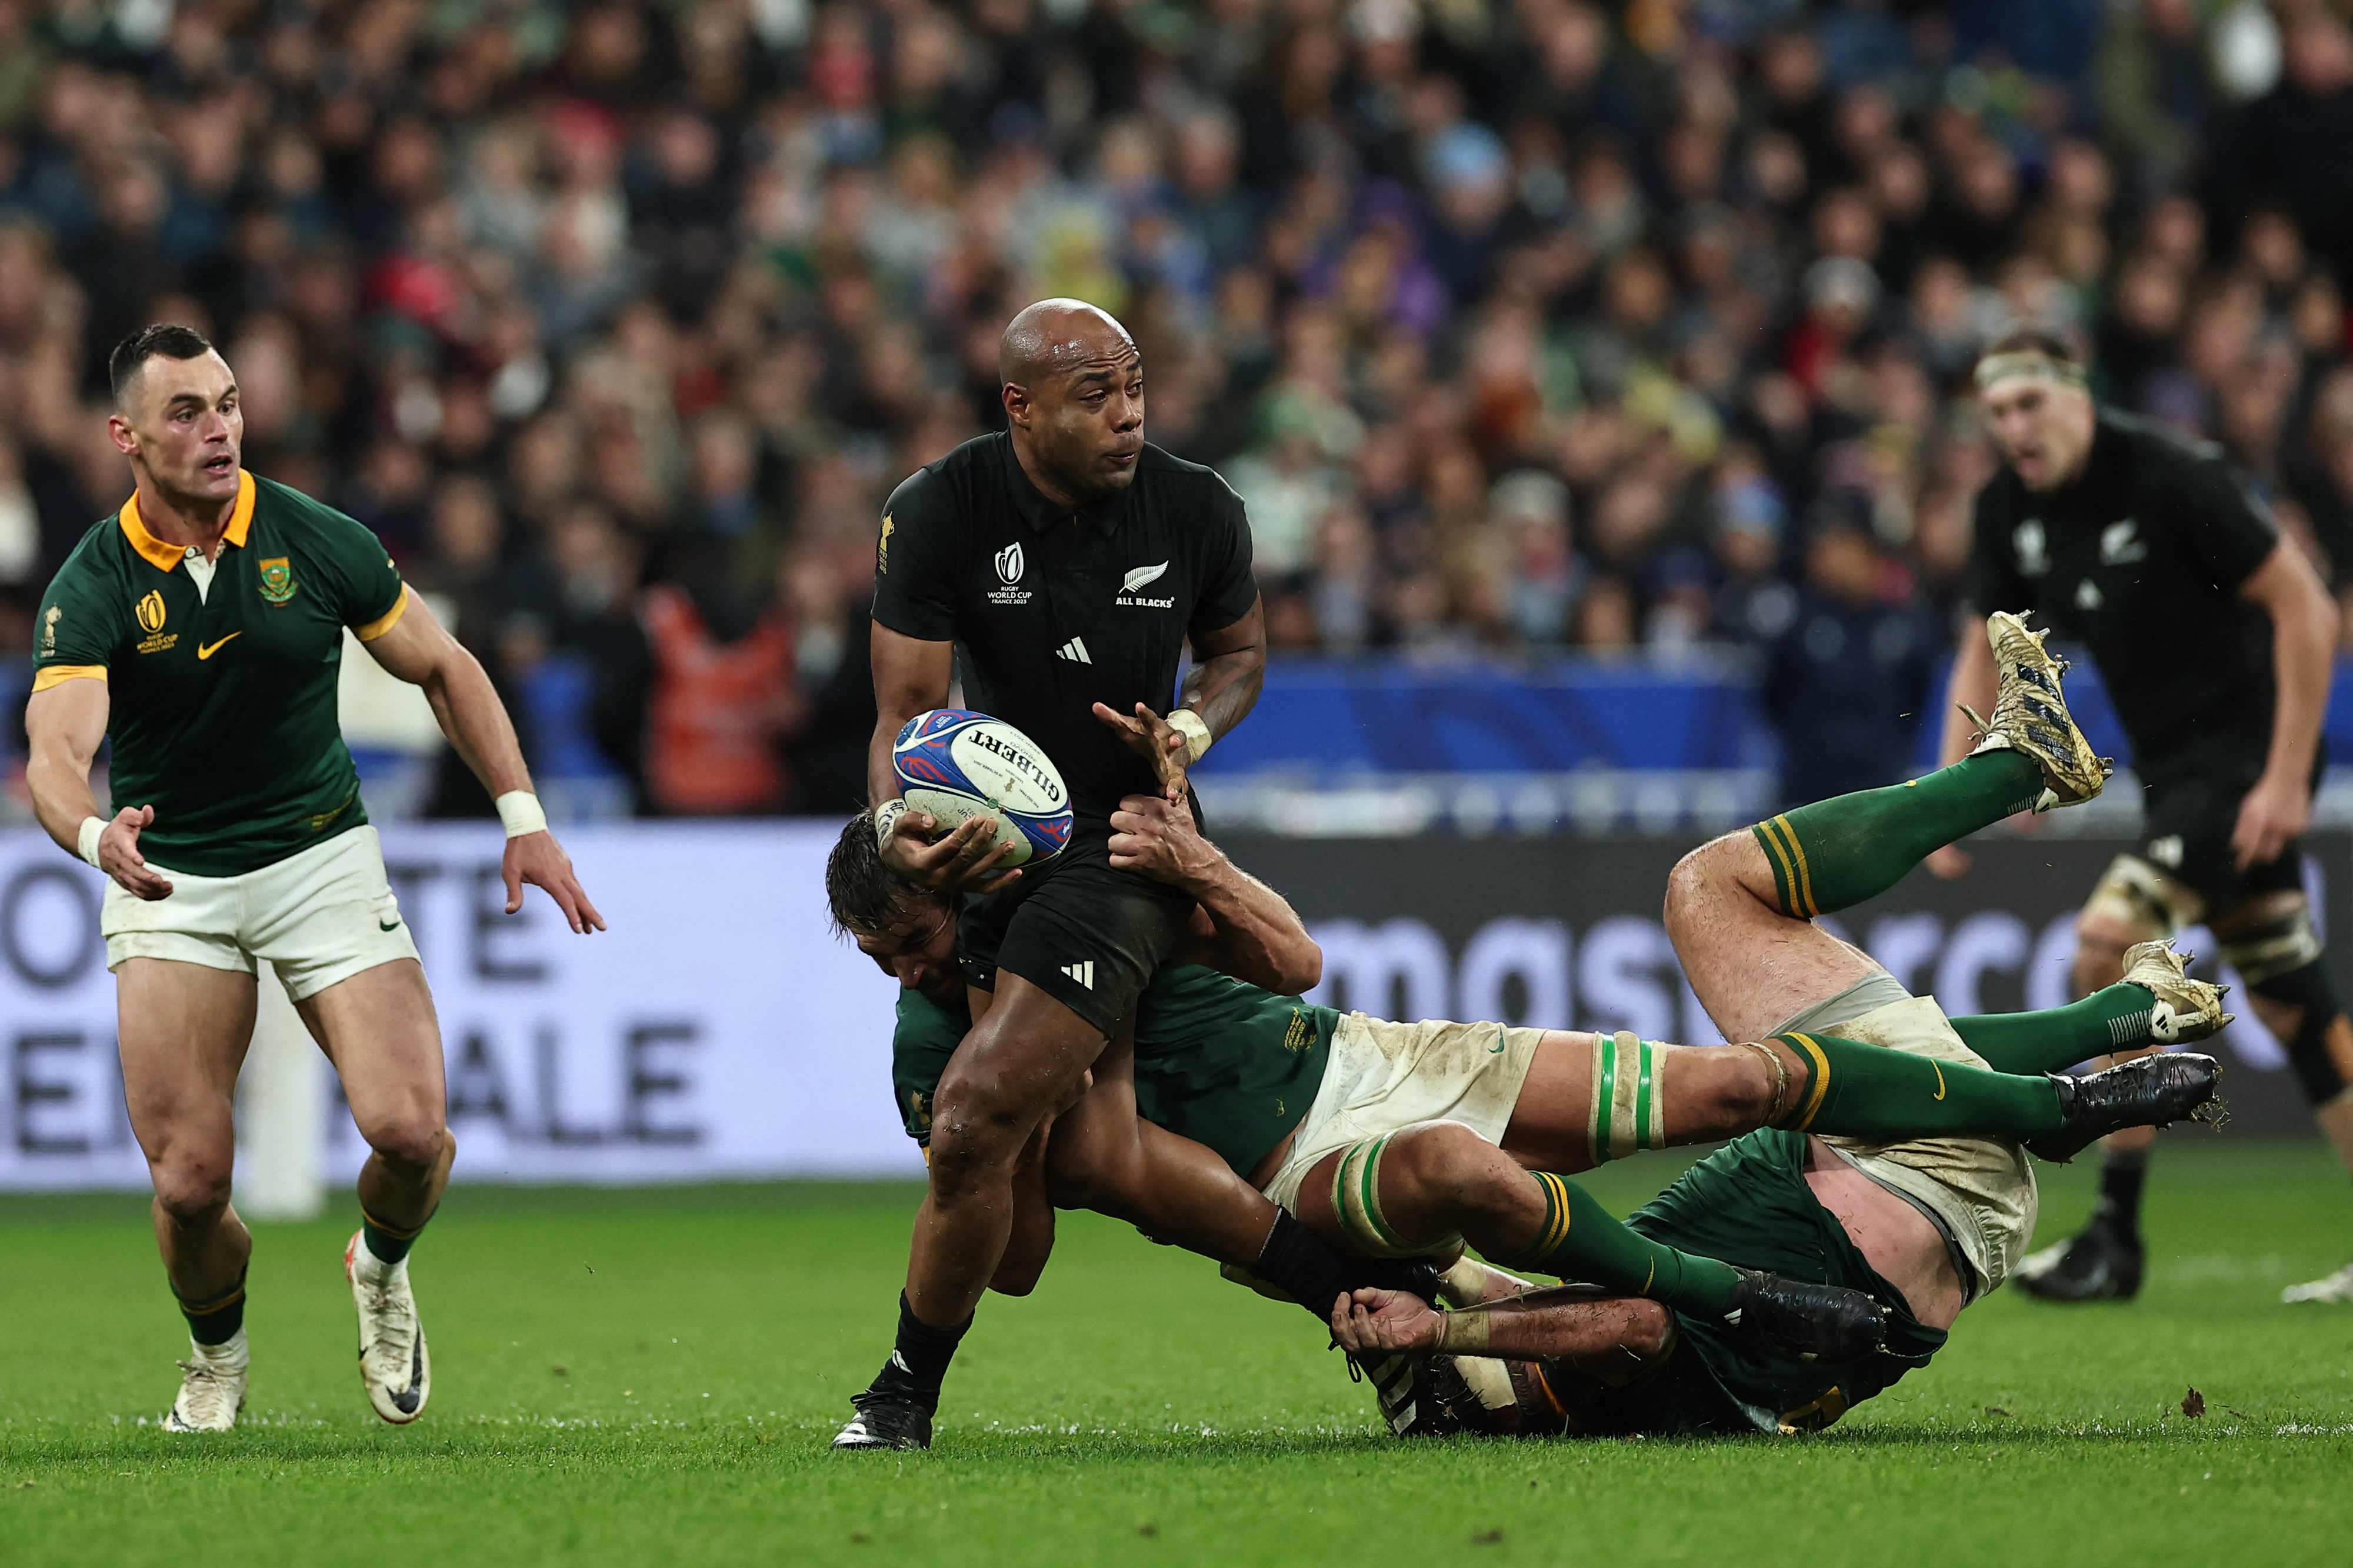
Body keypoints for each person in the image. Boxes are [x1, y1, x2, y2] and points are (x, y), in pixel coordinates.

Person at [834, 616, 2229, 1432]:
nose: (914, 964)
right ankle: (2058, 1078)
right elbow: (1036, 1230)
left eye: (919, 933)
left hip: (1379, 1056)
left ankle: (2119, 1001)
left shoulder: (1097, 901)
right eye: (891, 950)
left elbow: (1292, 958)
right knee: (1462, 1162)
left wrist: (1195, 864)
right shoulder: (940, 1054)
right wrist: (1008, 1118)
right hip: (1300, 1174)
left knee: (1741, 1087)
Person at [1327, 615, 2241, 1436]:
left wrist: (1440, 1277)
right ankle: (2015, 776)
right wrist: (1438, 1326)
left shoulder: (1625, 1382)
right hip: (1901, 1177)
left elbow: (1553, 1309)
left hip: (1941, 1224)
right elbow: (1624, 1321)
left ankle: (2130, 1011)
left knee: (1884, 1050)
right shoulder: (1604, 1364)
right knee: (1711, 894)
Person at [848, 297, 1438, 1450]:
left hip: (1124, 841)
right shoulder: (937, 510)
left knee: (971, 1118)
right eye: (1095, 395)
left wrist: (1192, 730)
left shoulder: (1196, 507)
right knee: (1089, 1169)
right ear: (1019, 409)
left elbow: (1239, 654)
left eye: (1133, 388)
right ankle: (1372, 1293)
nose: (1129, 415)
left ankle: (900, 1396)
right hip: (988, 852)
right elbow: (901, 714)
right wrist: (897, 833)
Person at [21, 324, 604, 1432]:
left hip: (320, 855)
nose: (218, 428)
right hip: (169, 878)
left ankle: (379, 1267)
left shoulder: (311, 535)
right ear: (126, 437)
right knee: (190, 1182)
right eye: (186, 411)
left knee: (412, 1133)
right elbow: (55, 751)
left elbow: (445, 665)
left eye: (228, 402)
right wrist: (98, 837)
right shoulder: (93, 580)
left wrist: (522, 817)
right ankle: (215, 1353)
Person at [1936, 329, 2352, 1305]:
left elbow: (2308, 607)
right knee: (2297, 1006)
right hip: (2176, 775)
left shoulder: (2173, 474)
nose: (2015, 430)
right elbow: (1982, 646)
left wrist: (2288, 779)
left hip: (2245, 761)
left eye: (2031, 404)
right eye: (1997, 413)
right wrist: (1957, 793)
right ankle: (2115, 1240)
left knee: (2107, 940)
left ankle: (2114, 1236)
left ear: (2079, 395)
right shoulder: (2008, 509)